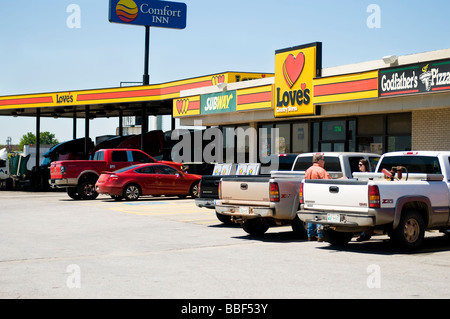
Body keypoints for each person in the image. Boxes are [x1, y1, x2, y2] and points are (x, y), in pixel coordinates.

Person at [305, 153, 330, 241]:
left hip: (309, 195)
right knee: (320, 215)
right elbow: (328, 183)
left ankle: (310, 235)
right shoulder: (321, 171)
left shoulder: (308, 170)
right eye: (323, 160)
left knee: (311, 215)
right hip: (319, 196)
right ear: (319, 161)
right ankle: (320, 235)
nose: (324, 162)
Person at [356, 158, 373, 242]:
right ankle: (364, 234)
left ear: (365, 166)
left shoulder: (367, 175)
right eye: (358, 165)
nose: (359, 166)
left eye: (360, 165)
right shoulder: (359, 174)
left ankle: (365, 234)